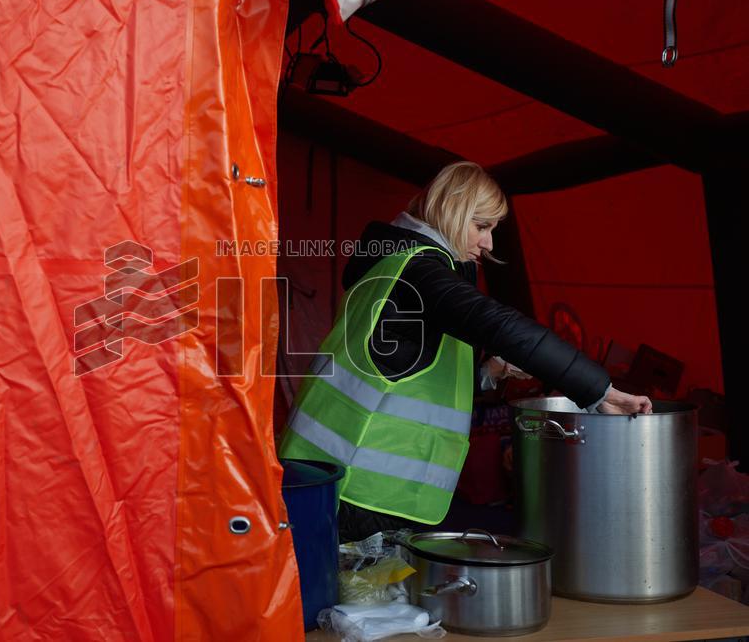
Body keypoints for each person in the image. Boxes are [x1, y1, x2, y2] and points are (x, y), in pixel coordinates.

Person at [277, 161, 651, 541]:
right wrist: (598, 390)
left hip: (328, 475)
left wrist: (488, 371)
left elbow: (402, 375)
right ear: (450, 210)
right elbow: (500, 324)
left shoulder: (391, 266)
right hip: (360, 490)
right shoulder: (421, 272)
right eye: (482, 226)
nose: (488, 244)